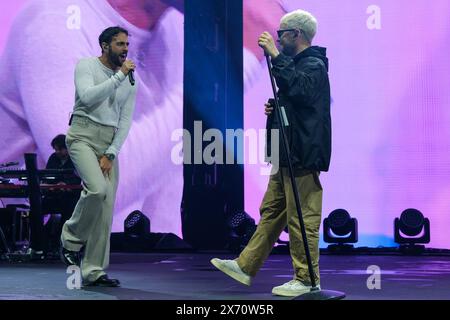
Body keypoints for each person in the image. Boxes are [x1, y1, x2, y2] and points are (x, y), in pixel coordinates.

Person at [211, 9, 331, 297]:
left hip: (301, 154)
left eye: (282, 33)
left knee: (302, 217)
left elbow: (301, 90)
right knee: (272, 212)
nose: (278, 38)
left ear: (296, 35)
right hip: (286, 154)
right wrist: (276, 111)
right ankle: (246, 264)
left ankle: (307, 278)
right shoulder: (299, 64)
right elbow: (298, 103)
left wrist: (276, 56)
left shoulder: (313, 64)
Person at [59, 26, 137, 287]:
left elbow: (125, 121)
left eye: (126, 44)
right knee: (97, 190)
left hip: (108, 142)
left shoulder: (131, 79)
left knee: (105, 210)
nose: (125, 49)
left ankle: (93, 271)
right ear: (105, 45)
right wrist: (119, 77)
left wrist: (112, 153)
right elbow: (88, 97)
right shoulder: (86, 66)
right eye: (119, 44)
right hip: (82, 134)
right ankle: (70, 239)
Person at [41, 134, 81, 253]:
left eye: (59, 149)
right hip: (54, 195)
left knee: (69, 209)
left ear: (67, 148)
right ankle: (42, 243)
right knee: (39, 208)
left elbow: (78, 179)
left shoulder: (75, 158)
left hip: (70, 196)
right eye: (55, 149)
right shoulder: (53, 158)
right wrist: (54, 185)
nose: (57, 152)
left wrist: (65, 185)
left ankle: (61, 243)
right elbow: (47, 176)